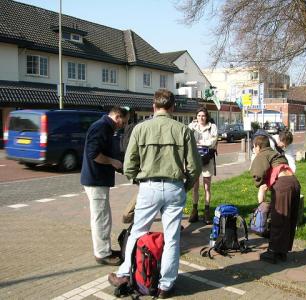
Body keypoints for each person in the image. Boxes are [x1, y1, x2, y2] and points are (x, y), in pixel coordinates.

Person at [108, 89, 202, 299]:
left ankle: (124, 274)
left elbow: (129, 164)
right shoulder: (183, 130)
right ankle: (165, 286)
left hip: (148, 186)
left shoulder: (141, 129)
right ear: (173, 107)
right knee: (172, 238)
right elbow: (195, 167)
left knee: (138, 231)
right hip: (174, 186)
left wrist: (137, 181)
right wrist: (184, 186)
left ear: (153, 106)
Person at [81, 106, 129, 266]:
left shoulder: (105, 127)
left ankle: (105, 249)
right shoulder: (102, 127)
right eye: (123, 122)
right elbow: (93, 153)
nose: (122, 125)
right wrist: (112, 161)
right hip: (95, 179)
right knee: (101, 218)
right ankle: (102, 254)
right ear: (117, 116)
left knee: (104, 216)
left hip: (98, 179)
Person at [250, 135, 301, 264]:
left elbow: (258, 177)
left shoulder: (262, 154)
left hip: (283, 185)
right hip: (294, 182)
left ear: (258, 146)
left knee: (278, 218)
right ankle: (282, 252)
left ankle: (272, 252)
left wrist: (261, 203)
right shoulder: (276, 154)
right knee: (289, 219)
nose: (253, 149)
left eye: (253, 147)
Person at [187, 107, 218, 225]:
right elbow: (188, 140)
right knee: (195, 186)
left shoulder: (212, 127)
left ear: (207, 116)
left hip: (206, 159)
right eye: (199, 115)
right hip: (195, 159)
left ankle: (206, 210)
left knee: (207, 187)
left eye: (203, 116)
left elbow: (213, 141)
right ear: (196, 116)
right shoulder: (192, 126)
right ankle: (194, 210)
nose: (201, 118)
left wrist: (200, 143)